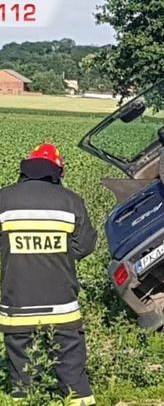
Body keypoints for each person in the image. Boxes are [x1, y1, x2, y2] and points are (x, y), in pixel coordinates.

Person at [0, 144, 97, 405]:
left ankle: (25, 400)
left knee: (23, 376)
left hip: (17, 305)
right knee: (74, 375)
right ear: (57, 171)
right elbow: (86, 245)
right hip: (63, 307)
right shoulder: (71, 201)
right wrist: (58, 256)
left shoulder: (3, 199)